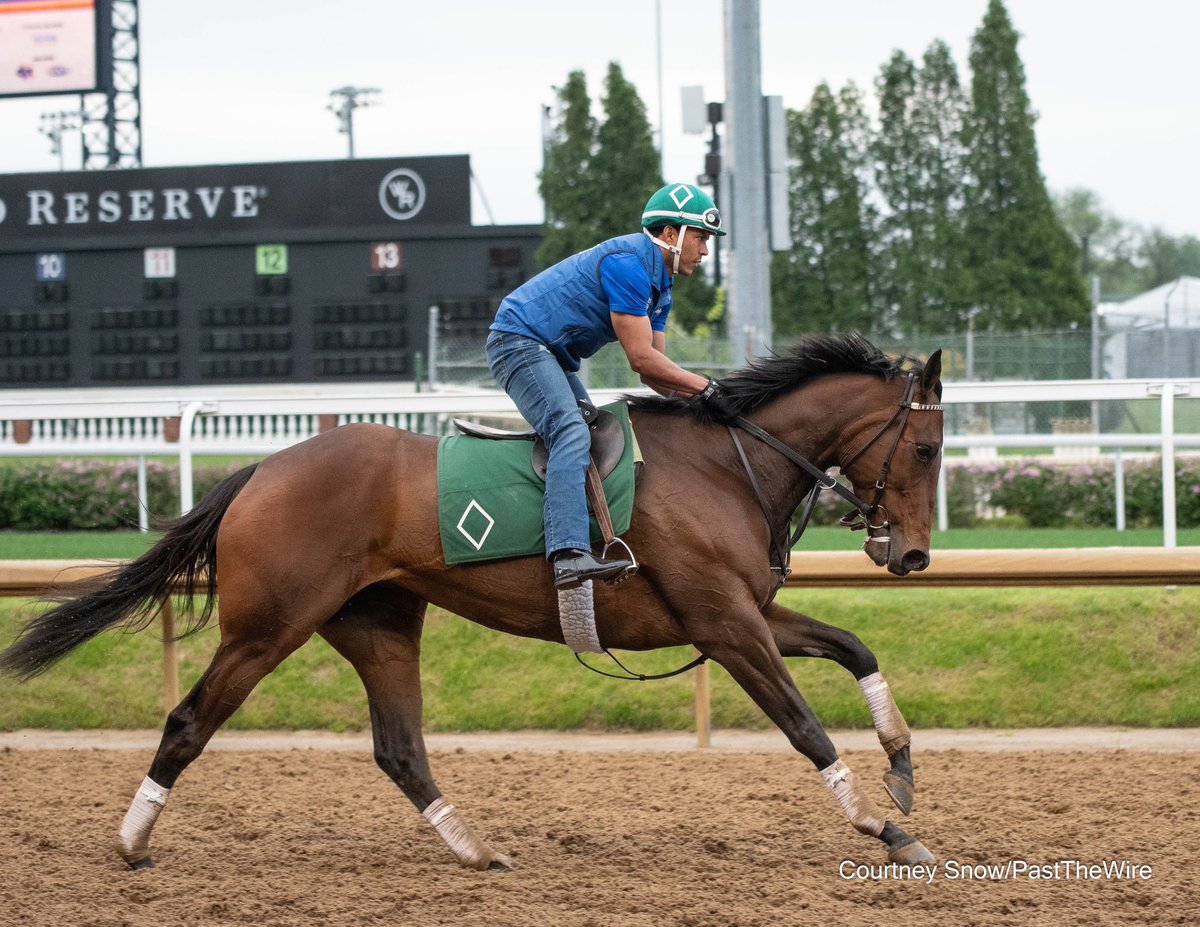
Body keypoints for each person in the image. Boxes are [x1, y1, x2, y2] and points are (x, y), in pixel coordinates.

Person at [486, 183, 739, 590]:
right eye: (701, 237)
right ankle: (567, 554)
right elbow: (640, 357)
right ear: (670, 235)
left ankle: (585, 539)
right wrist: (709, 387)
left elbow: (655, 374)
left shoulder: (662, 289)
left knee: (595, 433)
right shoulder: (628, 266)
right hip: (518, 342)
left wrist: (706, 402)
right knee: (569, 430)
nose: (706, 251)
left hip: (547, 353)